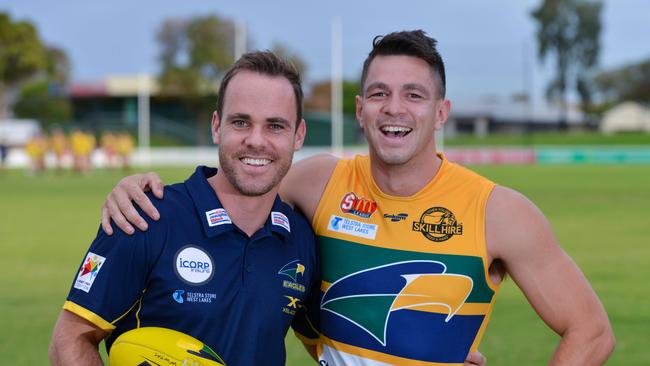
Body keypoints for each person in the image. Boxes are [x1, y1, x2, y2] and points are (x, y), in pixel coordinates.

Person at [108, 32, 617, 366]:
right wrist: (140, 190)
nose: (394, 108)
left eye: (414, 95)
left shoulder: (499, 212)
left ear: (441, 112)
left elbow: (590, 331)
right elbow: (236, 186)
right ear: (360, 108)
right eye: (379, 93)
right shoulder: (317, 183)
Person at [49, 51, 320, 366]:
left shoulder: (301, 240)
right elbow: (71, 338)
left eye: (275, 126)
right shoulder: (145, 216)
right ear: (217, 126)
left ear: (298, 135)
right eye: (241, 122)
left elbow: (332, 345)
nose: (256, 140)